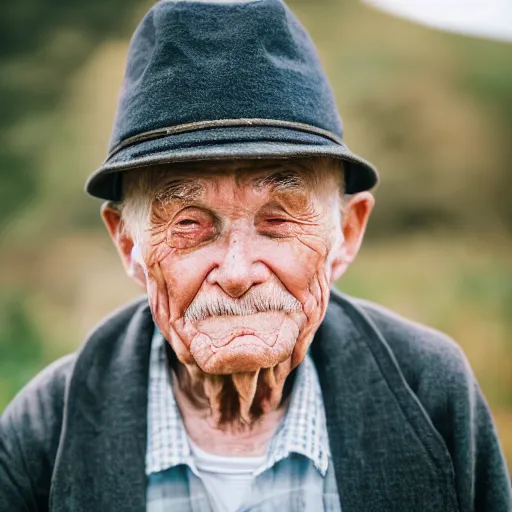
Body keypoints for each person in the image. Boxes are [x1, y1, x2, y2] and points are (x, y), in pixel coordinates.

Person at [1, 1, 510, 511]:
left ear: (347, 233)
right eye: (189, 225)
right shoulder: (42, 429)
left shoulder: (432, 392)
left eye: (278, 221)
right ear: (130, 245)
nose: (238, 272)